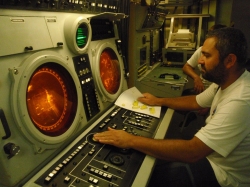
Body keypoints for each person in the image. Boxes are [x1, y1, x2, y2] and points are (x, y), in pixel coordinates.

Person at [94, 27, 250, 187]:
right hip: (211, 159)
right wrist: (158, 101)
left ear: (230, 61)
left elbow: (192, 152)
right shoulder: (225, 83)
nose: (200, 60)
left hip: (224, 177)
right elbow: (196, 101)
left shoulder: (240, 100)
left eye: (207, 55)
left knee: (153, 177)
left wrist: (130, 140)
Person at [182, 24, 227, 94]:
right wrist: (196, 78)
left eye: (207, 56)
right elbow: (186, 67)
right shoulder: (201, 49)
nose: (200, 61)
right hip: (202, 90)